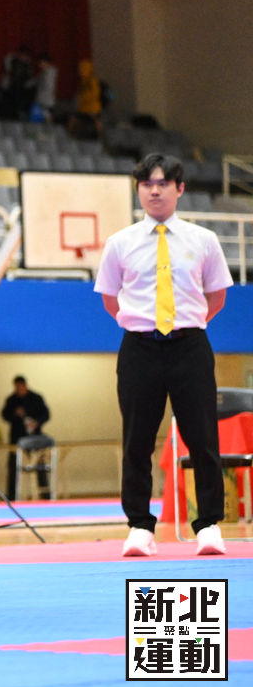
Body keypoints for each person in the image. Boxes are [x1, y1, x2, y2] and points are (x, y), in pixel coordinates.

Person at [94, 153, 231, 557]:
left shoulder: (203, 240)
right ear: (138, 190)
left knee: (203, 438)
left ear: (179, 188)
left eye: (163, 183)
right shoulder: (119, 243)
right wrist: (146, 327)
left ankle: (209, 525)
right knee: (137, 441)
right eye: (147, 184)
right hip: (139, 348)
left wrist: (184, 326)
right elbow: (110, 300)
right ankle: (140, 527)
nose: (154, 191)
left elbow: (217, 296)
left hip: (191, 346)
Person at [1, 375, 51, 500]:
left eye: (21, 387)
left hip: (35, 437)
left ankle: (45, 496)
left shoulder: (36, 398)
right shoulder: (11, 400)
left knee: (39, 465)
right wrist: (14, 413)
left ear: (25, 386)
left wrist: (37, 422)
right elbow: (4, 415)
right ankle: (12, 496)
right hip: (17, 437)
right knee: (13, 466)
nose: (19, 389)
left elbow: (46, 414)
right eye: (16, 387)